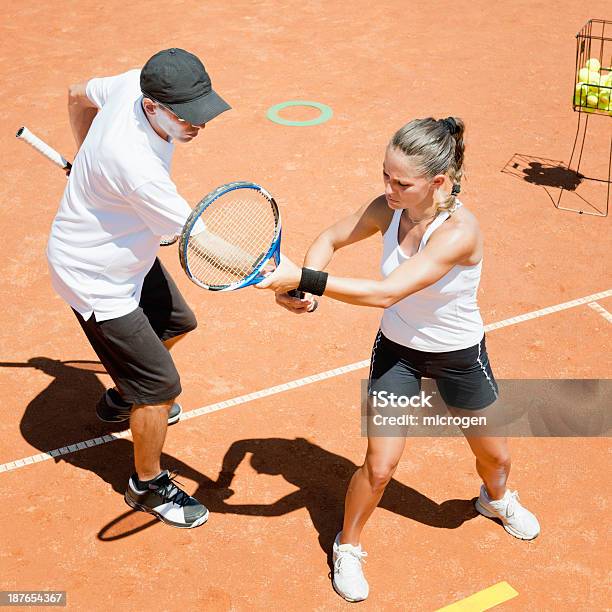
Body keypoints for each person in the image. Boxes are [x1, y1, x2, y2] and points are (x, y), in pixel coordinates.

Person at [257, 117, 540, 601]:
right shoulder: (387, 209)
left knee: (496, 456)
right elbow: (329, 239)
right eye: (385, 175)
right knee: (380, 466)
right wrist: (306, 284)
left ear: (438, 182)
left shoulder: (459, 233)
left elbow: (387, 292)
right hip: (398, 357)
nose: (388, 188)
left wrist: (302, 276)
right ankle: (348, 546)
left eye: (400, 182)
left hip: (459, 358)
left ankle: (496, 500)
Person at [46, 48, 231, 529]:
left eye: (202, 111)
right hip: (93, 276)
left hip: (127, 253)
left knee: (176, 322)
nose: (199, 125)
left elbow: (75, 94)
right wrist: (285, 280)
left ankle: (122, 395)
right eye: (187, 117)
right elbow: (202, 244)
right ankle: (145, 484)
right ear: (153, 107)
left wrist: (84, 151)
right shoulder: (136, 168)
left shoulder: (133, 83)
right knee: (161, 387)